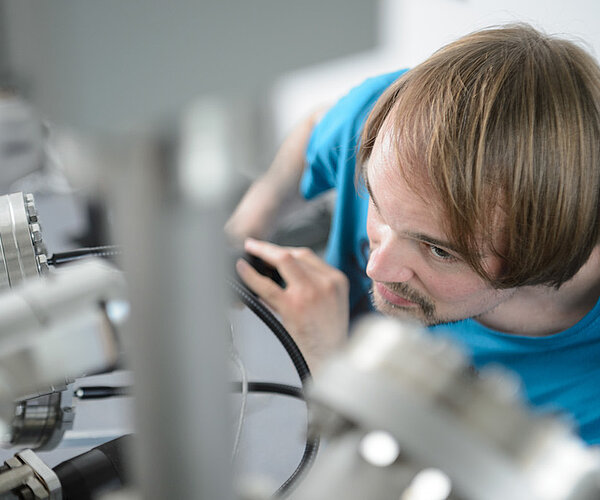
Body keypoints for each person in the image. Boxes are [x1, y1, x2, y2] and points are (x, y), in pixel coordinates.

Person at [227, 24, 600, 445]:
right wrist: (244, 229)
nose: (376, 266)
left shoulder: (586, 402)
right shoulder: (392, 123)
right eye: (380, 210)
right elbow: (318, 125)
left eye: (438, 250)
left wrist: (326, 363)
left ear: (543, 251)